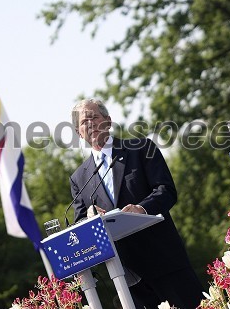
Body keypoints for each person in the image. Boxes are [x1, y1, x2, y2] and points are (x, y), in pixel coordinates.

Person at [69, 99, 204, 309]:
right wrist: (90, 218)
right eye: (84, 122)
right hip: (127, 278)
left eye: (94, 117)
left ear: (108, 121)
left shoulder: (141, 148)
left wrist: (141, 209)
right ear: (79, 133)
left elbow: (166, 190)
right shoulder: (79, 178)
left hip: (166, 262)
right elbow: (78, 223)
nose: (91, 124)